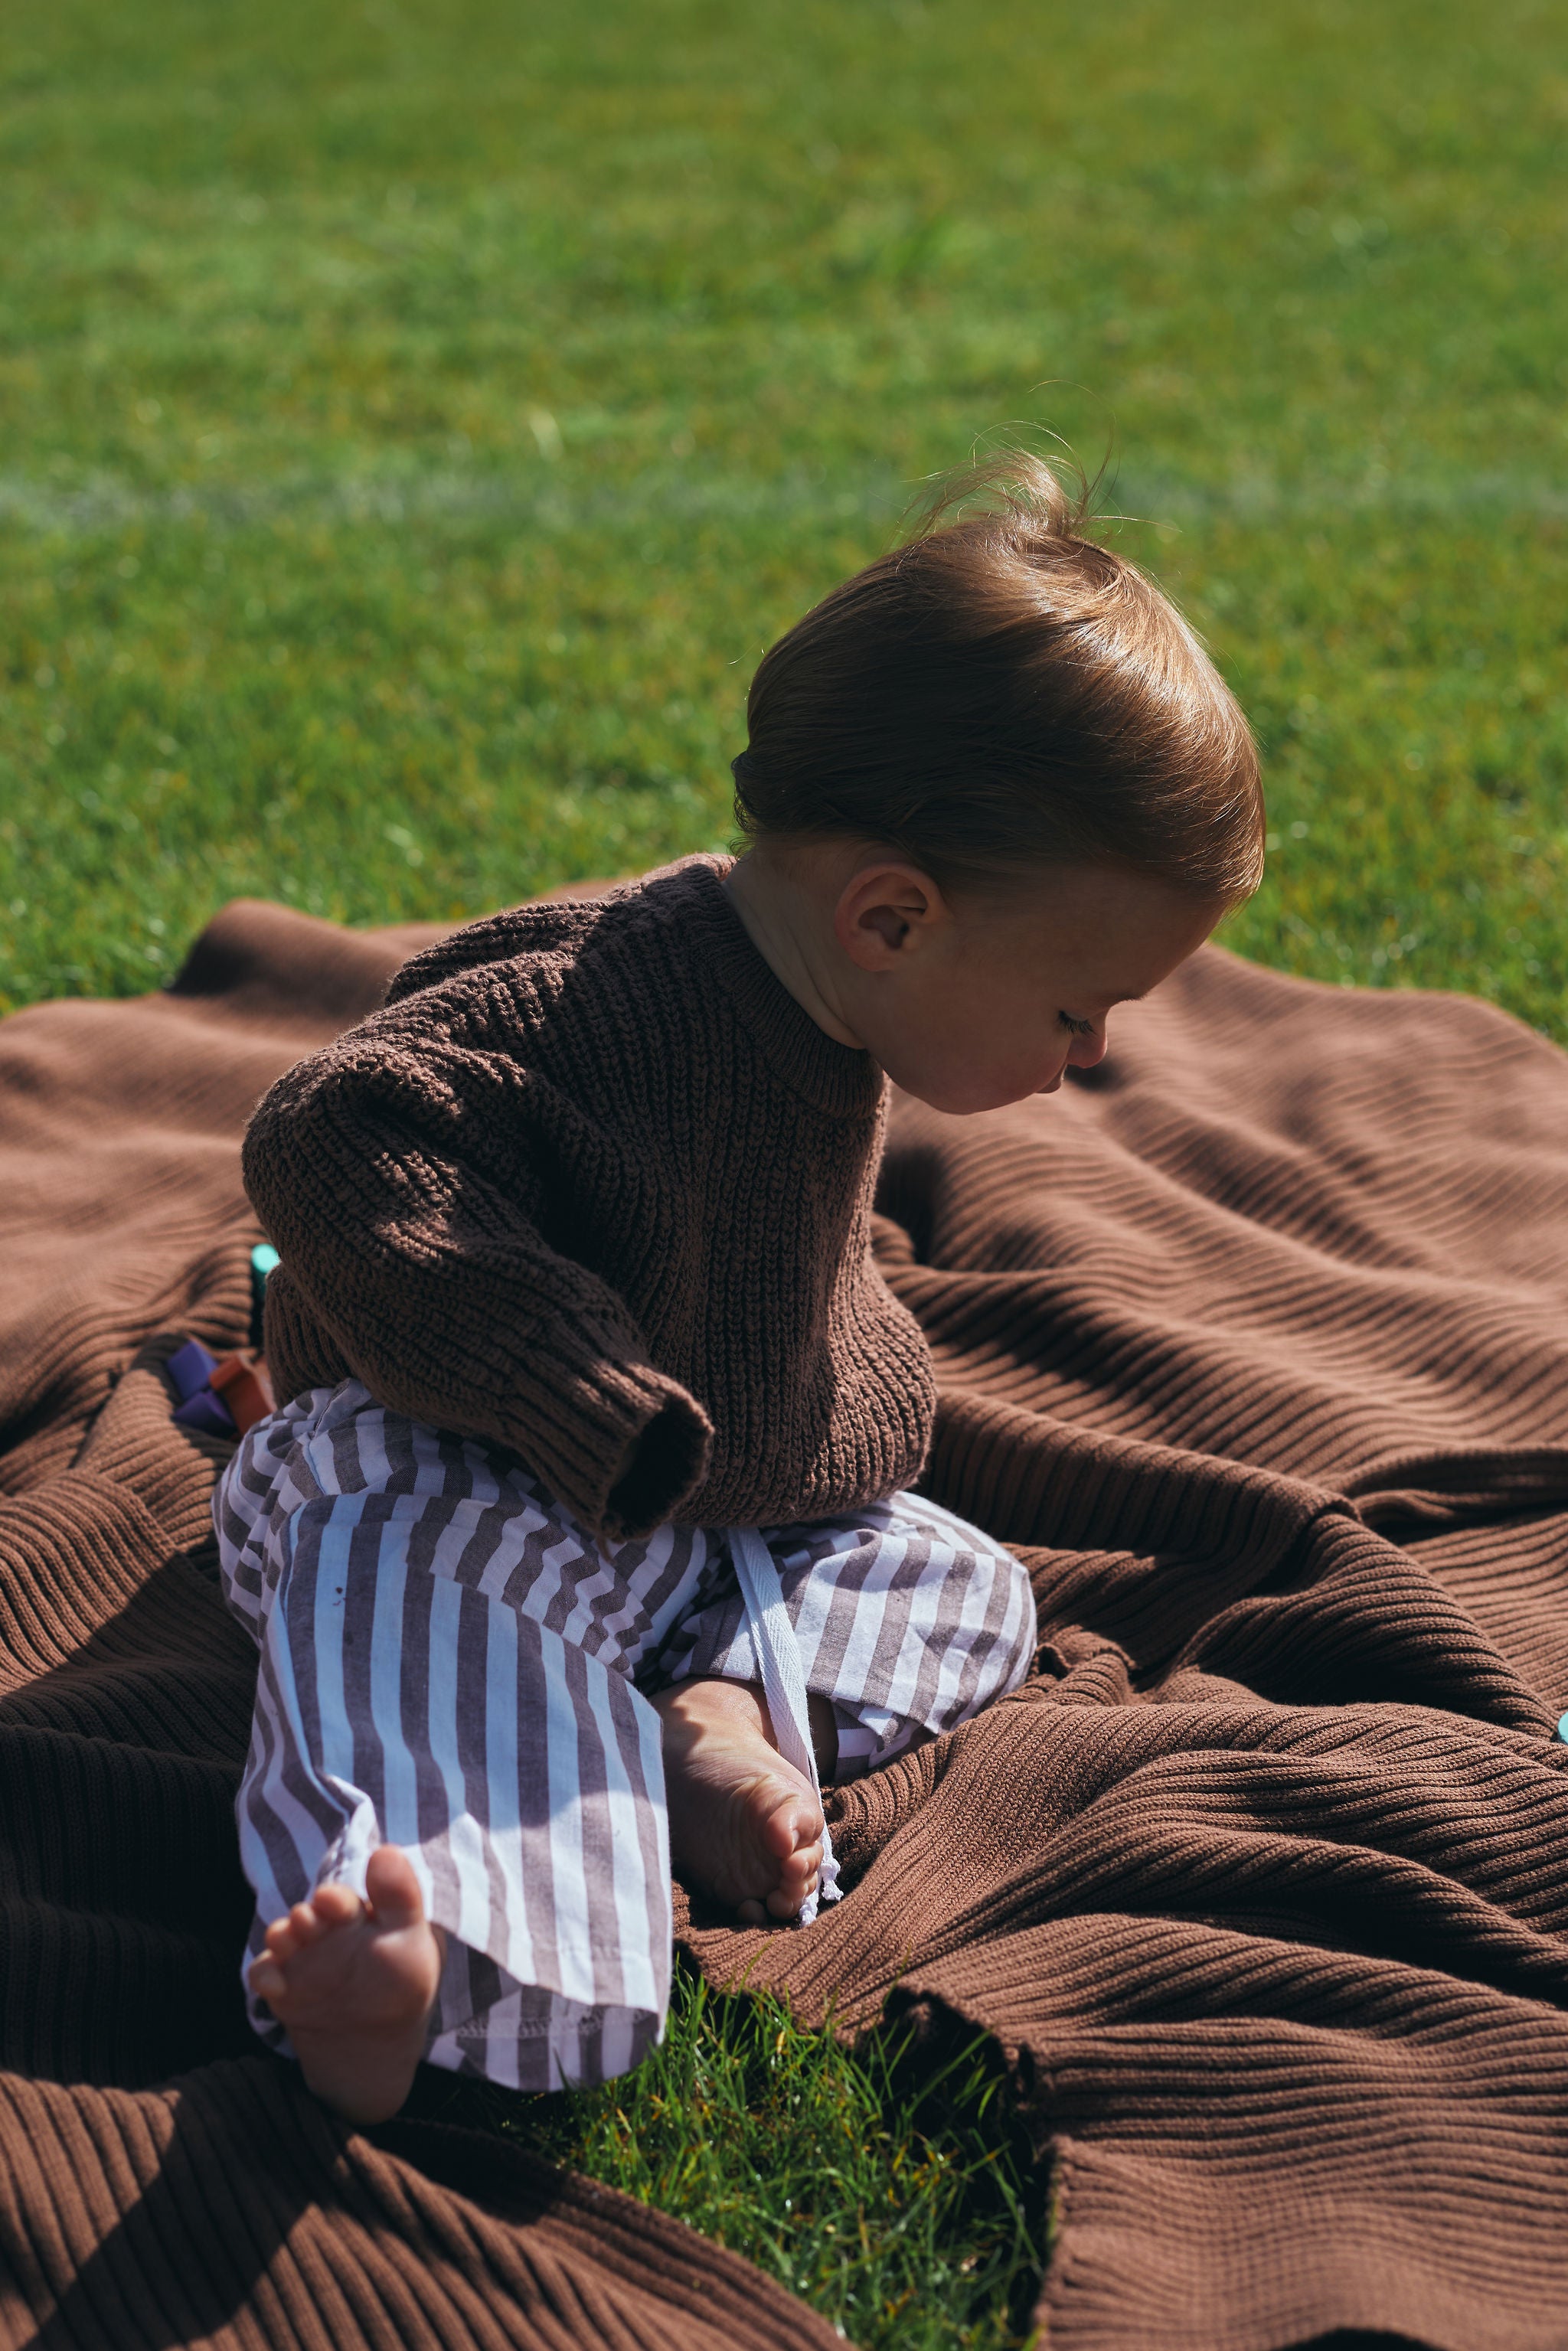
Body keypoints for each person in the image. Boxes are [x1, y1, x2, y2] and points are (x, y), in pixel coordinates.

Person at [214, 453, 1265, 2124]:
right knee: (414, 1609)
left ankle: (699, 1720)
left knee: (962, 1586)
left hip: (689, 1524)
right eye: (1076, 1009)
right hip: (458, 1464)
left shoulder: (830, 1019)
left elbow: (774, 1286)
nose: (1090, 1059)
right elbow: (334, 1139)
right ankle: (415, 1949)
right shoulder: (592, 1004)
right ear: (893, 918)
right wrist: (574, 1393)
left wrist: (845, 1408)